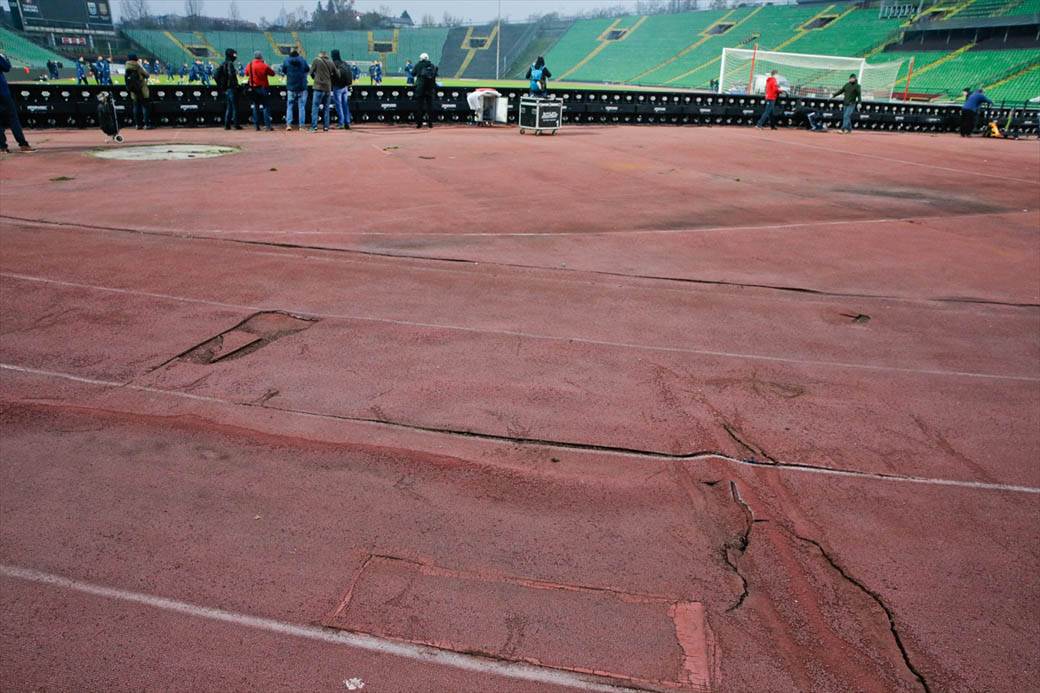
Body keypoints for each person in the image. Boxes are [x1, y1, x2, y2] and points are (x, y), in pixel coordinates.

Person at [0, 52, 35, 153]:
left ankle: (2, 147)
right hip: (3, 92)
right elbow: (7, 67)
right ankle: (23, 144)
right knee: (13, 118)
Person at [245, 51, 275, 131]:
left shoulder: (250, 64)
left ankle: (256, 125)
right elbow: (272, 73)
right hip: (263, 87)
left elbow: (246, 73)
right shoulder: (264, 65)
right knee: (265, 106)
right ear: (261, 57)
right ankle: (267, 125)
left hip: (254, 88)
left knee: (255, 106)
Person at [281, 49, 309, 131]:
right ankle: (301, 125)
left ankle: (289, 125)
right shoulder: (302, 60)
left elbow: (284, 70)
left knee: (289, 106)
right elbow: (307, 69)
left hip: (291, 87)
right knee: (301, 107)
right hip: (302, 87)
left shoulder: (286, 60)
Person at [123, 53, 153, 130]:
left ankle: (137, 124)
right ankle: (146, 124)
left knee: (136, 107)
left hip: (133, 90)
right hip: (142, 90)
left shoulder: (126, 66)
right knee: (145, 107)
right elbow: (147, 75)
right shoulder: (138, 66)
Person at [216, 48, 242, 130]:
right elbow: (231, 76)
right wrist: (235, 85)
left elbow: (216, 75)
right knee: (235, 107)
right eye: (234, 55)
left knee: (229, 107)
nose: (235, 56)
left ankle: (227, 125)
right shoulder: (230, 64)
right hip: (232, 88)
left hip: (226, 88)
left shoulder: (223, 63)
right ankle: (236, 124)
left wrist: (221, 86)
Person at [309, 50, 336, 132]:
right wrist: (329, 80)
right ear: (326, 55)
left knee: (315, 107)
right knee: (326, 108)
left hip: (318, 87)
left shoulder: (316, 60)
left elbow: (311, 72)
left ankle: (314, 127)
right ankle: (326, 127)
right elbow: (336, 74)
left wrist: (315, 78)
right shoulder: (331, 62)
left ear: (320, 55)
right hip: (327, 88)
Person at [412, 52, 438, 129]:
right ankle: (430, 124)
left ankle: (419, 124)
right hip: (430, 88)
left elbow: (413, 73)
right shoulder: (432, 65)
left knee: (419, 106)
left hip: (420, 88)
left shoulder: (418, 65)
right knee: (430, 106)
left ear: (421, 58)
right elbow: (435, 75)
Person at [330, 49, 353, 130]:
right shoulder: (344, 63)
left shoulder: (334, 64)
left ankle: (341, 123)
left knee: (339, 106)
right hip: (345, 87)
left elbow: (332, 75)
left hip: (337, 87)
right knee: (345, 105)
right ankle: (347, 122)